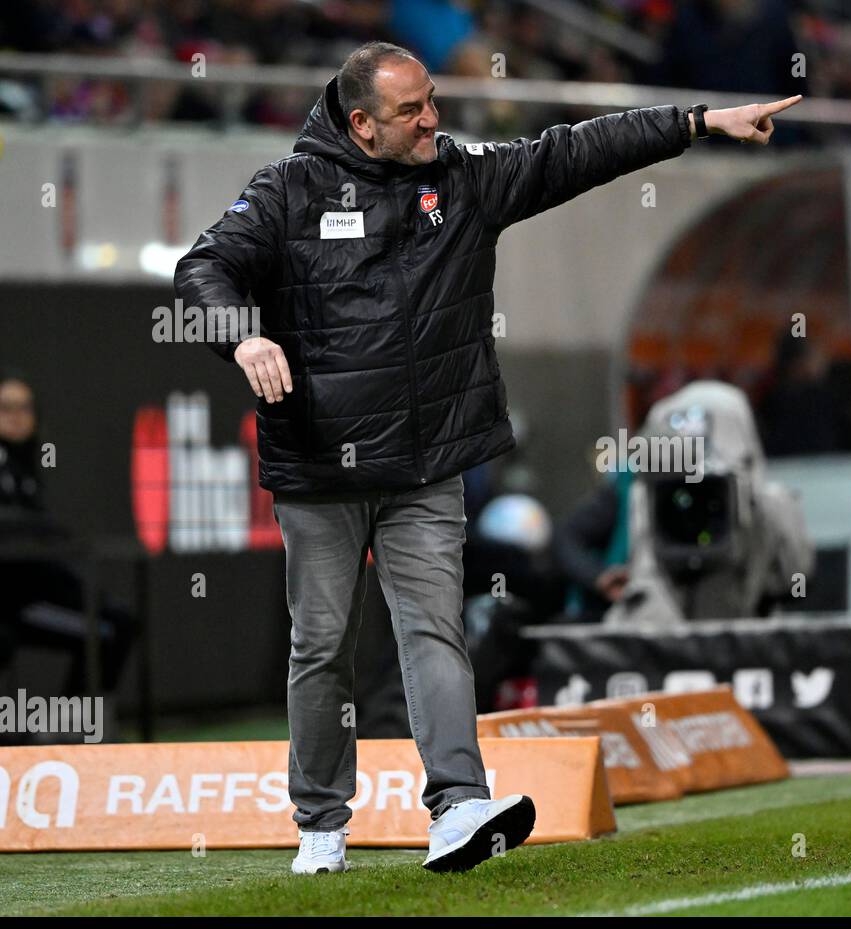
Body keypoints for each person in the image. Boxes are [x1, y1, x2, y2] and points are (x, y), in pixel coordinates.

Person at [174, 40, 801, 874]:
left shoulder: (465, 178)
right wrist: (242, 336)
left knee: (435, 630)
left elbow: (575, 150)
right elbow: (201, 270)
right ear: (361, 124)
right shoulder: (286, 190)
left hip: (429, 463)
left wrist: (698, 121)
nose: (433, 118)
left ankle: (459, 807)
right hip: (320, 468)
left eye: (432, 100)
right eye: (411, 110)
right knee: (321, 646)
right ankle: (322, 823)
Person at [0, 373, 136, 737]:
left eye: (24, 408)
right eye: (6, 408)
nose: (16, 416)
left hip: (34, 591)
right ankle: (61, 733)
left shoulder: (26, 464)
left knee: (116, 624)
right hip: (12, 602)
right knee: (105, 630)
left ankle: (69, 729)